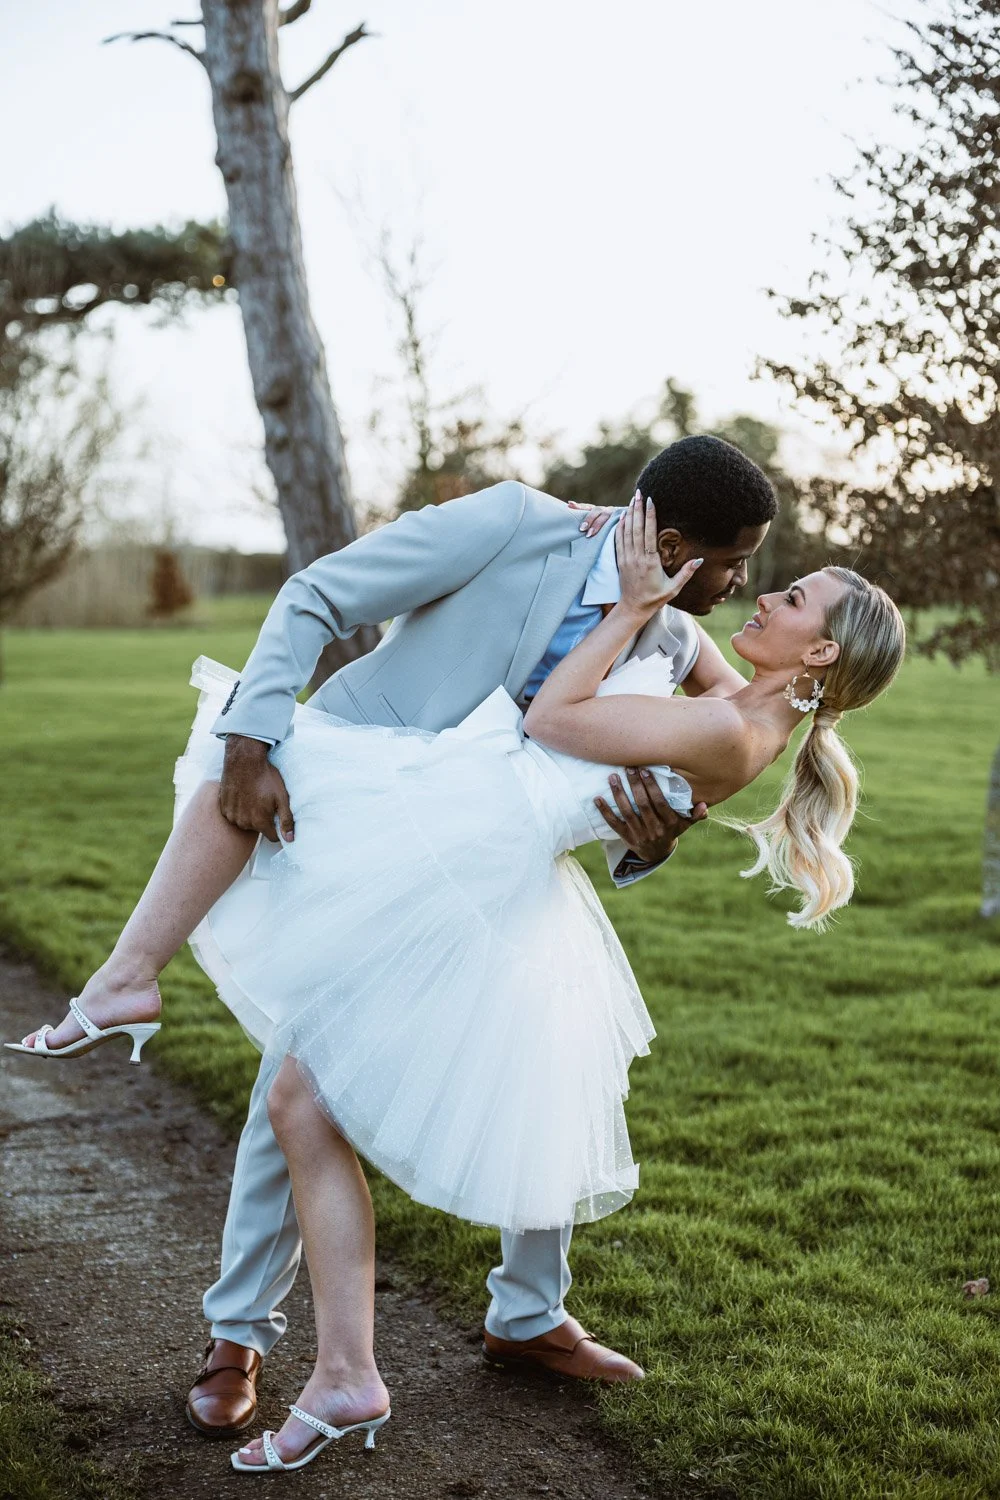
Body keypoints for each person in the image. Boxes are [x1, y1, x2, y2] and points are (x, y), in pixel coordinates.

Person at [8, 491, 905, 1472]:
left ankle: (496, 1325)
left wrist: (657, 801)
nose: (749, 588)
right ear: (675, 543)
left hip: (477, 862)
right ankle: (242, 1332)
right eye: (742, 564)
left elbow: (646, 754)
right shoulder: (558, 549)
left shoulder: (692, 655)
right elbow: (704, 718)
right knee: (311, 1060)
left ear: (817, 652)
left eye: (778, 590)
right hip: (424, 810)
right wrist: (647, 633)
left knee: (415, 1082)